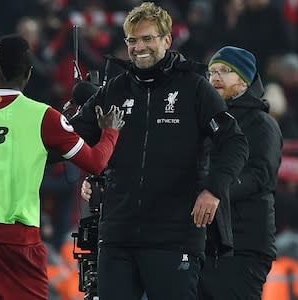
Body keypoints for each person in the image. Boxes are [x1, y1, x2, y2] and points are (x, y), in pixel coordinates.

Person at [75, 3, 248, 299]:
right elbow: (73, 134)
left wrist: (214, 189)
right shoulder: (115, 89)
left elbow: (234, 142)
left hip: (174, 238)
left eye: (147, 39)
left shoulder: (195, 88)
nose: (139, 47)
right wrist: (90, 166)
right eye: (132, 40)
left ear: (167, 40)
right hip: (117, 236)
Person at [0, 34, 125, 300]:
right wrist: (110, 132)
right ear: (28, 73)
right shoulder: (44, 117)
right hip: (19, 245)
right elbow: (96, 163)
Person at [197, 46, 283, 299]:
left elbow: (260, 175)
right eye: (212, 71)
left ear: (244, 80)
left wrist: (213, 189)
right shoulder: (205, 121)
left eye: (225, 71)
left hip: (244, 244)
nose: (215, 77)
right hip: (206, 243)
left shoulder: (261, 123)